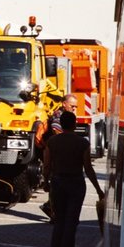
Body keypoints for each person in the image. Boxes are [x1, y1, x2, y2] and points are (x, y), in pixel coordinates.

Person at [43, 111, 104, 247]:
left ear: (61, 124)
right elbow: (88, 168)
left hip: (57, 182)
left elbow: (47, 164)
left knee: (59, 220)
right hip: (76, 183)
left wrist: (45, 181)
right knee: (71, 222)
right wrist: (98, 189)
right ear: (75, 124)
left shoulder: (52, 141)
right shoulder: (82, 143)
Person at [40, 93, 78, 222]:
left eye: (75, 107)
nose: (74, 109)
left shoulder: (67, 116)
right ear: (64, 104)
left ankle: (50, 207)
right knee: (56, 185)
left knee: (58, 186)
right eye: (72, 106)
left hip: (59, 154)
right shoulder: (58, 116)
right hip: (54, 154)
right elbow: (56, 130)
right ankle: (54, 214)